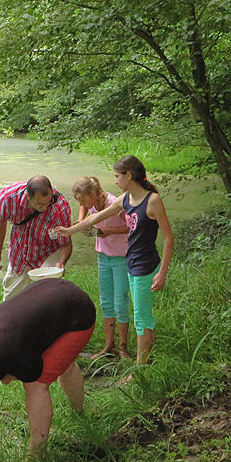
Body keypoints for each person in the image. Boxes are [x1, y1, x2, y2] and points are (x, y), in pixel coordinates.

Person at [0, 278, 95, 454]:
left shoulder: (2, 349)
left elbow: (32, 374)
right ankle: (80, 414)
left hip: (77, 311)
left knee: (36, 385)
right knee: (62, 364)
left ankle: (37, 454)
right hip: (54, 293)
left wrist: (8, 376)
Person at [56, 155, 173, 365]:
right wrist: (69, 230)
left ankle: (139, 369)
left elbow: (167, 237)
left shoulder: (152, 201)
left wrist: (162, 272)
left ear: (129, 175)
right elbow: (94, 218)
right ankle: (144, 358)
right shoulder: (125, 198)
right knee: (142, 316)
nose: (116, 180)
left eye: (118, 176)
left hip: (145, 265)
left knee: (141, 317)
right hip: (132, 262)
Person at [73, 176, 131, 359]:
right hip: (103, 257)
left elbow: (132, 225)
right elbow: (83, 207)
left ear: (94, 194)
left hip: (121, 257)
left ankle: (122, 347)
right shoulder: (91, 203)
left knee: (120, 303)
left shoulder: (114, 204)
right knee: (106, 302)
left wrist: (110, 232)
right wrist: (81, 220)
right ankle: (108, 345)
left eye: (83, 199)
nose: (81, 203)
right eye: (79, 200)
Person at [0, 175, 73, 300]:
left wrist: (60, 263)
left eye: (48, 202)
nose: (45, 208)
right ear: (28, 197)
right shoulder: (7, 199)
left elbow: (66, 243)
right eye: (40, 204)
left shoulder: (60, 206)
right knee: (11, 300)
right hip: (20, 252)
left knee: (47, 296)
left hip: (48, 251)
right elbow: (0, 225)